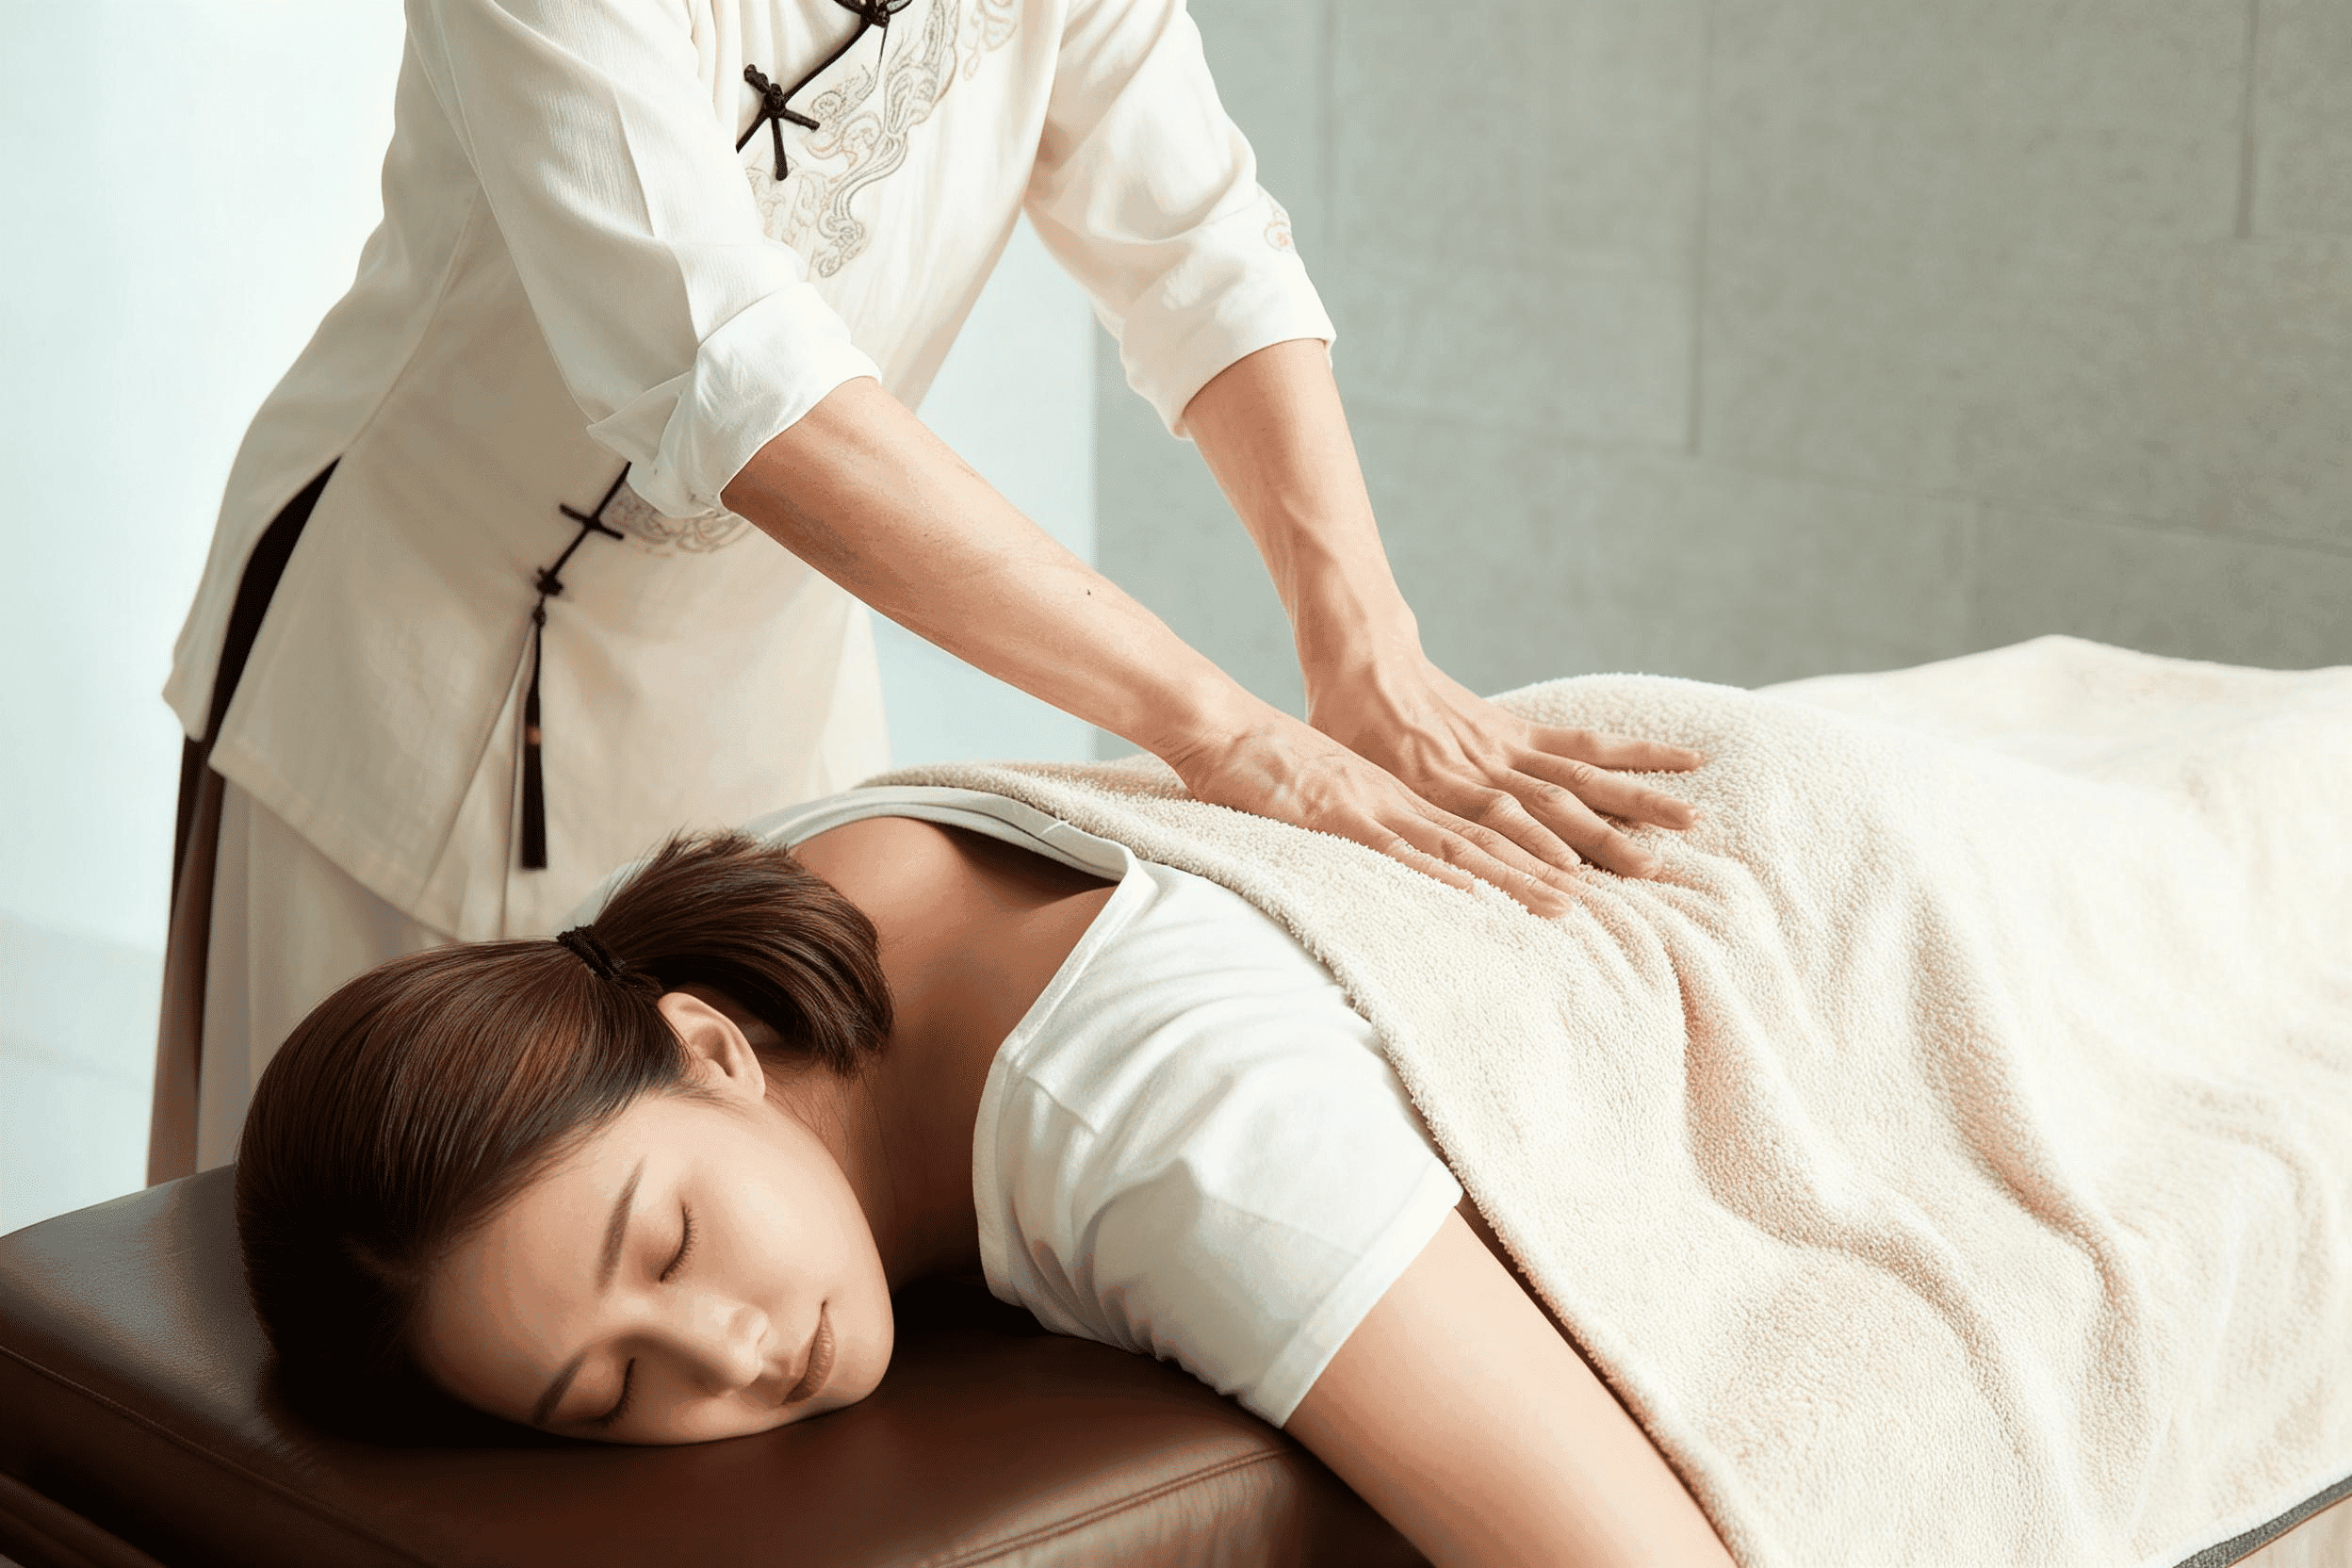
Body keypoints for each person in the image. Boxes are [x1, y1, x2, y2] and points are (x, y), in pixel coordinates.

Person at [155, 0, 1698, 1183]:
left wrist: (1370, 652)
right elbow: (730, 372)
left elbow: (1198, 243)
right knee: (375, 1277)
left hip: (764, 684)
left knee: (728, 1230)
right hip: (406, 676)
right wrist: (1224, 732)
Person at [236, 784, 1734, 1568]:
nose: (724, 1355)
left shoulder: (1170, 1136)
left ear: (710, 1048)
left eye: (672, 1244)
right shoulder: (754, 906)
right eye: (615, 1391)